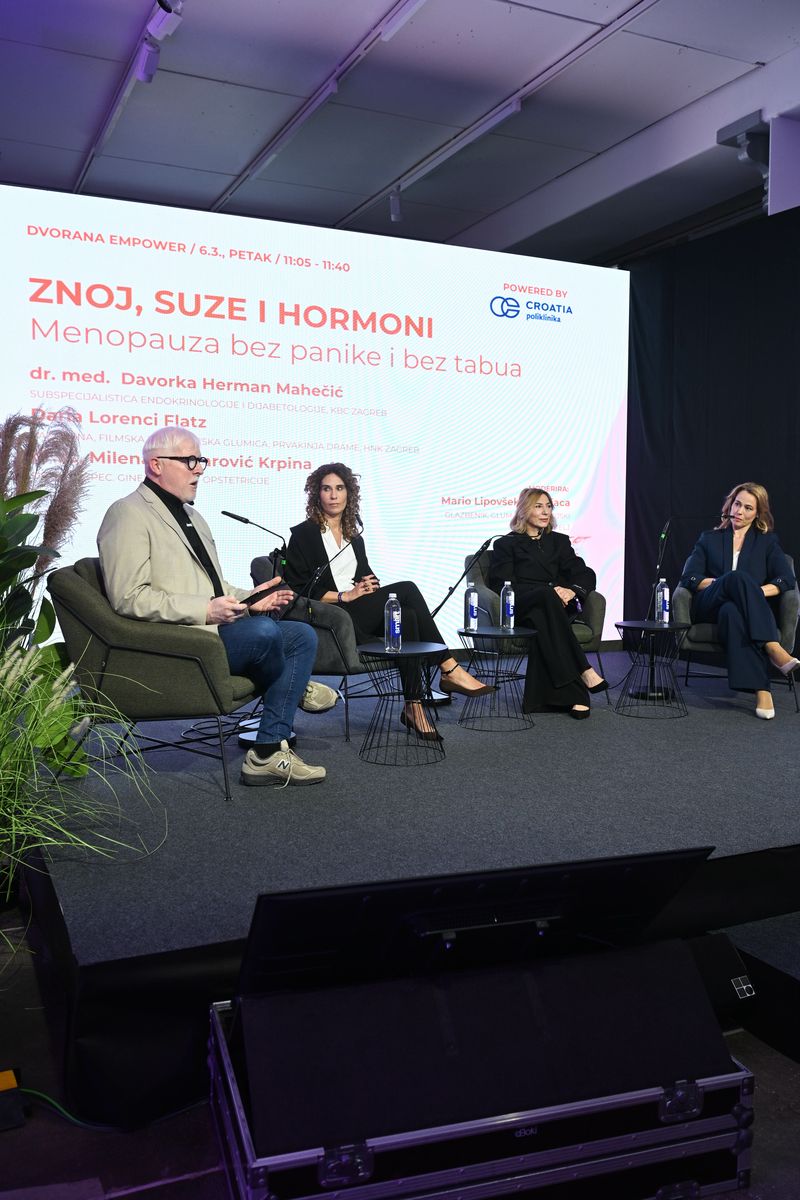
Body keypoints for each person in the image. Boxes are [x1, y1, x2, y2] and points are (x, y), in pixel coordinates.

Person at [97, 429, 337, 786]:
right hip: (178, 641)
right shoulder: (127, 513)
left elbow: (214, 586)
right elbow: (128, 596)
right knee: (266, 633)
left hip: (213, 632)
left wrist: (253, 599)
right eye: (190, 460)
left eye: (201, 461)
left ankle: (267, 753)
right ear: (156, 465)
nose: (199, 469)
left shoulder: (193, 517)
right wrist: (205, 611)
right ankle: (293, 684)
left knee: (300, 635)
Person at [285, 463, 492, 741]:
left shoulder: (353, 535)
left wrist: (369, 585)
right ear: (316, 494)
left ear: (349, 494)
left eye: (339, 488)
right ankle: (449, 667)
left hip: (359, 609)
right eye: (326, 489)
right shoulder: (304, 534)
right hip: (335, 617)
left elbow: (363, 575)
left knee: (407, 617)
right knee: (407, 589)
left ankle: (413, 706)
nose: (333, 495)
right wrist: (345, 595)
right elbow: (298, 587)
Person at [678, 481, 799, 720]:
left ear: (758, 513)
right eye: (737, 504)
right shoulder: (709, 538)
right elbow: (690, 578)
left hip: (739, 611)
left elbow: (786, 580)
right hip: (709, 604)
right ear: (730, 504)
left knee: (732, 612)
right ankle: (772, 647)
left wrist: (752, 593)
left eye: (748, 508)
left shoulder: (766, 542)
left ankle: (762, 690)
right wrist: (726, 584)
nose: (740, 511)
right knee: (736, 578)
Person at [487, 488, 607, 718]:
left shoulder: (559, 542)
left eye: (549, 506)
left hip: (556, 608)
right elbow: (502, 584)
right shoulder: (506, 544)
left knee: (545, 614)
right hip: (522, 606)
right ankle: (584, 670)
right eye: (538, 506)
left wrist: (572, 591)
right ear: (524, 510)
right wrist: (548, 591)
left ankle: (560, 697)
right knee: (544, 597)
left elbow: (585, 573)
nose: (545, 512)